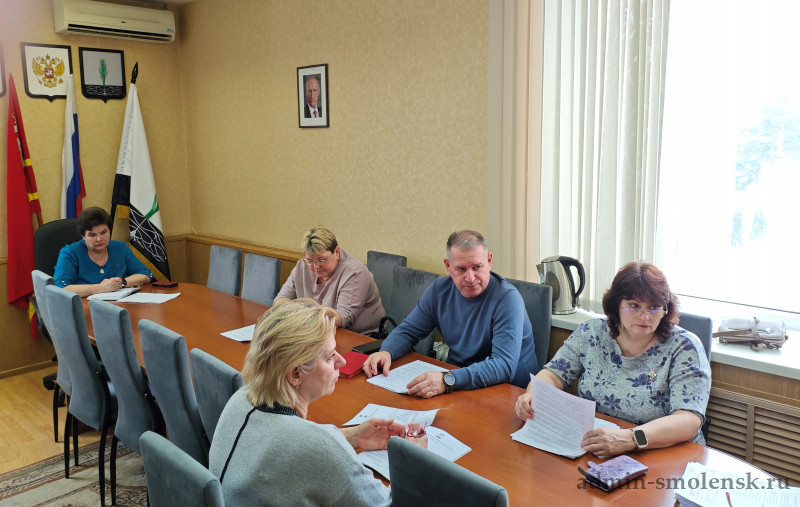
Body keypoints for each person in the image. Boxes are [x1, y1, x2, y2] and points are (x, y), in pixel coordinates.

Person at [208, 299, 427, 506]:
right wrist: (413, 460)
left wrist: (353, 436)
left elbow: (288, 446)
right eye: (330, 356)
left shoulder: (240, 399)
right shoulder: (320, 449)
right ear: (295, 374)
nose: (342, 361)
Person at [514, 262, 711, 457]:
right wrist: (532, 396)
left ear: (665, 309)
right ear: (617, 305)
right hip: (598, 447)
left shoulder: (684, 347)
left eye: (654, 308)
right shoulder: (591, 333)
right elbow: (552, 375)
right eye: (634, 306)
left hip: (664, 453)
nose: (645, 317)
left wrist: (631, 439)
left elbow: (689, 420)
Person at [363, 229, 538, 397]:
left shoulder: (508, 299)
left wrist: (448, 379)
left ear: (489, 261)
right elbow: (409, 330)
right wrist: (386, 352)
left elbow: (503, 366)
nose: (470, 278)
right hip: (459, 383)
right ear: (448, 266)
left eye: (477, 267)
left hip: (511, 393)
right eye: (461, 269)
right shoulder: (440, 290)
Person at [273, 226, 386, 336]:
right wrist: (298, 313)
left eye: (321, 260)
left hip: (361, 337)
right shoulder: (302, 266)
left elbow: (343, 317)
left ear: (336, 252)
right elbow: (281, 299)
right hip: (316, 332)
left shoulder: (354, 272)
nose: (316, 266)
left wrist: (301, 314)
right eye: (310, 260)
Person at [53, 207, 152, 297]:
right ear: (83, 236)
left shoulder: (120, 248)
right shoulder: (70, 252)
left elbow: (146, 274)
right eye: (92, 235)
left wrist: (122, 282)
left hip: (119, 304)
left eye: (103, 232)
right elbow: (60, 288)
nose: (99, 239)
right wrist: (101, 288)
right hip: (84, 306)